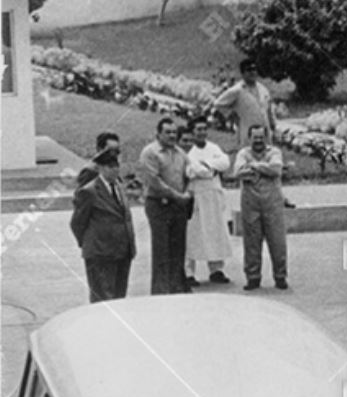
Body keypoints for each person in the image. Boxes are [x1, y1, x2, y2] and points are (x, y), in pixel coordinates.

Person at [69, 146, 135, 302]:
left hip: (122, 252)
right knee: (103, 300)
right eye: (109, 167)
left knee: (119, 297)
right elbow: (77, 223)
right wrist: (91, 244)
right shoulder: (89, 192)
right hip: (101, 254)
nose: (114, 170)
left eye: (116, 166)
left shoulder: (119, 187)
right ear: (100, 168)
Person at [139, 117, 193, 295]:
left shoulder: (180, 153)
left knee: (178, 249)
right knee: (161, 250)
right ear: (158, 134)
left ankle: (177, 288)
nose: (171, 135)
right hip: (159, 205)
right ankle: (161, 292)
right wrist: (177, 196)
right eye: (167, 132)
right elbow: (154, 181)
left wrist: (188, 193)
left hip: (179, 207)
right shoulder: (150, 152)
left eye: (174, 132)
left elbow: (189, 175)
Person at [232, 123, 288, 290]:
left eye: (261, 137)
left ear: (266, 138)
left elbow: (276, 169)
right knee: (251, 243)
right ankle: (253, 277)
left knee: (277, 242)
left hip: (273, 204)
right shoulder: (243, 153)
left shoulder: (274, 152)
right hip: (251, 205)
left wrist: (254, 167)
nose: (258, 141)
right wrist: (264, 169)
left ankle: (280, 277)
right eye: (255, 137)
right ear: (249, 138)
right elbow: (238, 172)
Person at [184, 118, 232, 287]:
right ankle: (188, 272)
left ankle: (216, 270)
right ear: (192, 132)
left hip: (214, 196)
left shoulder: (214, 148)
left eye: (204, 129)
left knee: (215, 232)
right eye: (198, 129)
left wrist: (207, 165)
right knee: (193, 235)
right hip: (197, 198)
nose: (202, 132)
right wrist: (211, 168)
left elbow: (225, 162)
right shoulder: (189, 152)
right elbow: (192, 170)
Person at [209, 59, 274, 150]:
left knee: (267, 155)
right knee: (248, 156)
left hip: (264, 130)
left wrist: (273, 124)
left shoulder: (263, 89)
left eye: (254, 69)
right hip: (247, 129)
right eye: (249, 70)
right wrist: (232, 115)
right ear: (243, 73)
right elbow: (218, 104)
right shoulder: (237, 90)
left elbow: (269, 108)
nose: (252, 72)